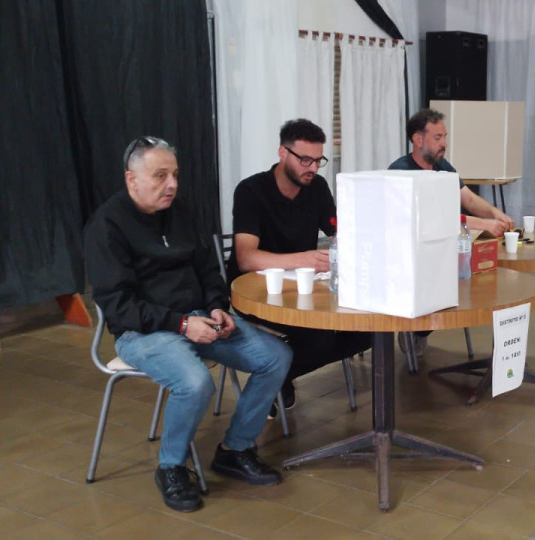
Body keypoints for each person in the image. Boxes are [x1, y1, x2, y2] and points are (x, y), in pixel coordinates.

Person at [85, 136, 292, 513]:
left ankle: (235, 449)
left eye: (175, 175)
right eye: (160, 176)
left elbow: (208, 269)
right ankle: (171, 468)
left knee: (276, 356)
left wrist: (216, 307)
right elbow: (119, 306)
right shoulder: (106, 226)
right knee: (195, 383)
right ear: (132, 179)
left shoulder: (181, 212)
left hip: (197, 318)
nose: (172, 184)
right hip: (142, 332)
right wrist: (182, 324)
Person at [230, 119, 372, 414]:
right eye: (305, 160)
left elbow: (338, 232)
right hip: (259, 293)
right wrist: (304, 259)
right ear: (283, 153)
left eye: (318, 161)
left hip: (305, 290)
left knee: (368, 330)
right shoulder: (251, 191)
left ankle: (277, 376)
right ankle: (273, 378)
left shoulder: (316, 187)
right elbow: (246, 258)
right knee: (319, 339)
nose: (313, 168)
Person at [388, 109, 516, 356]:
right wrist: (483, 224)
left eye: (444, 137)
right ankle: (416, 330)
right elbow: (431, 217)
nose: (444, 144)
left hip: (444, 246)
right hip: (412, 253)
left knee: (480, 276)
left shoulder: (441, 166)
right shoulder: (401, 171)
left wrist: (494, 213)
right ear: (417, 139)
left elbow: (467, 198)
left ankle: (423, 328)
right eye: (437, 138)